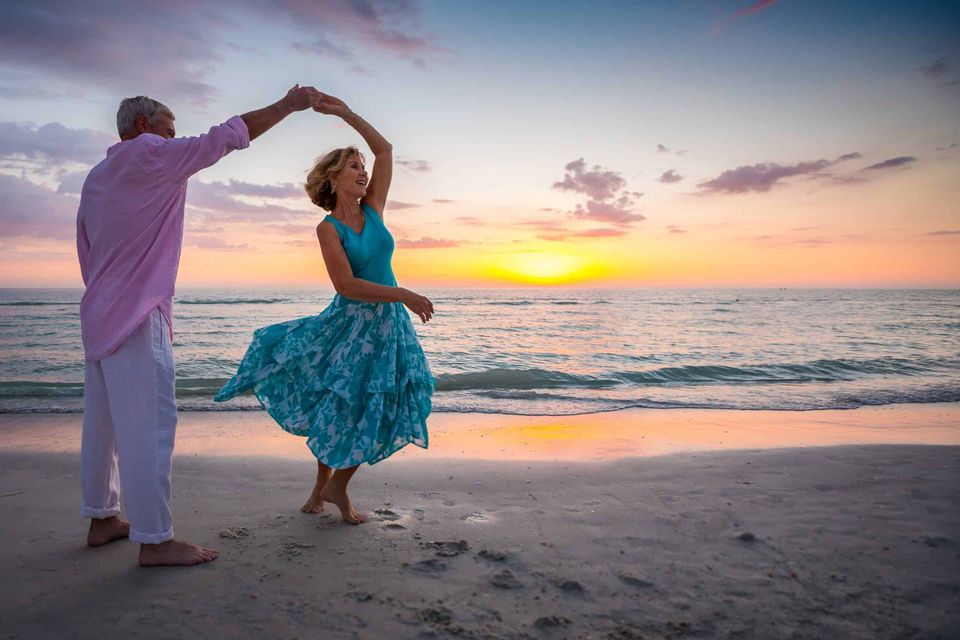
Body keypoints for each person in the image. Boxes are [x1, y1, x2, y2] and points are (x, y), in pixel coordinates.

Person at [77, 85, 324, 566]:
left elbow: (85, 246)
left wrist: (108, 293)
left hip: (99, 312)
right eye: (169, 129)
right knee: (150, 427)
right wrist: (287, 106)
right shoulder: (152, 155)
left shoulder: (97, 175)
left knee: (101, 427)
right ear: (144, 128)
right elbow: (226, 136)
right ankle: (154, 539)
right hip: (136, 313)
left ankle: (102, 518)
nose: (174, 139)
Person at [215, 93, 434, 524]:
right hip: (351, 325)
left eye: (361, 167)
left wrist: (345, 113)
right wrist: (404, 293)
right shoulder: (327, 227)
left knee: (379, 403)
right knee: (340, 402)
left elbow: (385, 150)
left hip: (388, 327)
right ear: (333, 179)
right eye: (353, 166)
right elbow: (346, 285)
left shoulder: (374, 210)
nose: (362, 171)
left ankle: (330, 487)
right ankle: (331, 488)